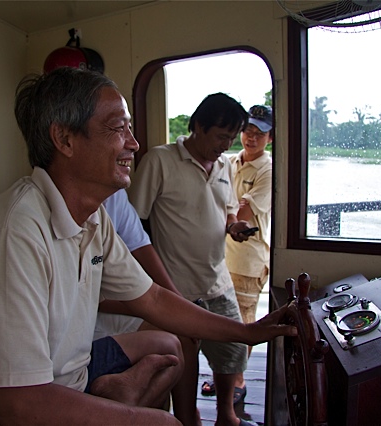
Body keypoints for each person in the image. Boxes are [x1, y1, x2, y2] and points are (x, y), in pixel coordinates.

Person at [0, 68, 296, 426]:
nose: (133, 144)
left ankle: (112, 393)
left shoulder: (92, 218)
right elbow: (20, 408)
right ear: (65, 139)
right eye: (118, 128)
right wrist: (150, 420)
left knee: (169, 349)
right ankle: (115, 397)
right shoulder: (12, 237)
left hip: (71, 373)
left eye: (130, 129)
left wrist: (249, 332)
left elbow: (151, 298)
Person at [128, 93, 260, 426]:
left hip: (217, 281)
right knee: (180, 360)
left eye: (231, 138)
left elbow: (227, 211)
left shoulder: (223, 166)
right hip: (175, 288)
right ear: (198, 126)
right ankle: (187, 417)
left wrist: (235, 226)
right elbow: (133, 224)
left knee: (230, 353)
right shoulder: (160, 161)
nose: (225, 145)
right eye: (220, 136)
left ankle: (226, 415)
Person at [97, 189, 202, 426]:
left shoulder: (114, 196)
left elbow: (141, 247)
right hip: (91, 312)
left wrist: (180, 306)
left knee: (184, 333)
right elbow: (93, 299)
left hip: (113, 301)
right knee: (171, 335)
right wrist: (153, 310)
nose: (132, 149)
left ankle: (187, 419)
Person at [224, 104, 274, 400]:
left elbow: (241, 208)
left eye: (259, 133)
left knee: (243, 321)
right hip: (222, 255)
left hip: (248, 259)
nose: (251, 137)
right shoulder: (229, 162)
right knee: (223, 319)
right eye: (247, 131)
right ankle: (226, 375)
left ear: (270, 138)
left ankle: (238, 382)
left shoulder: (269, 170)